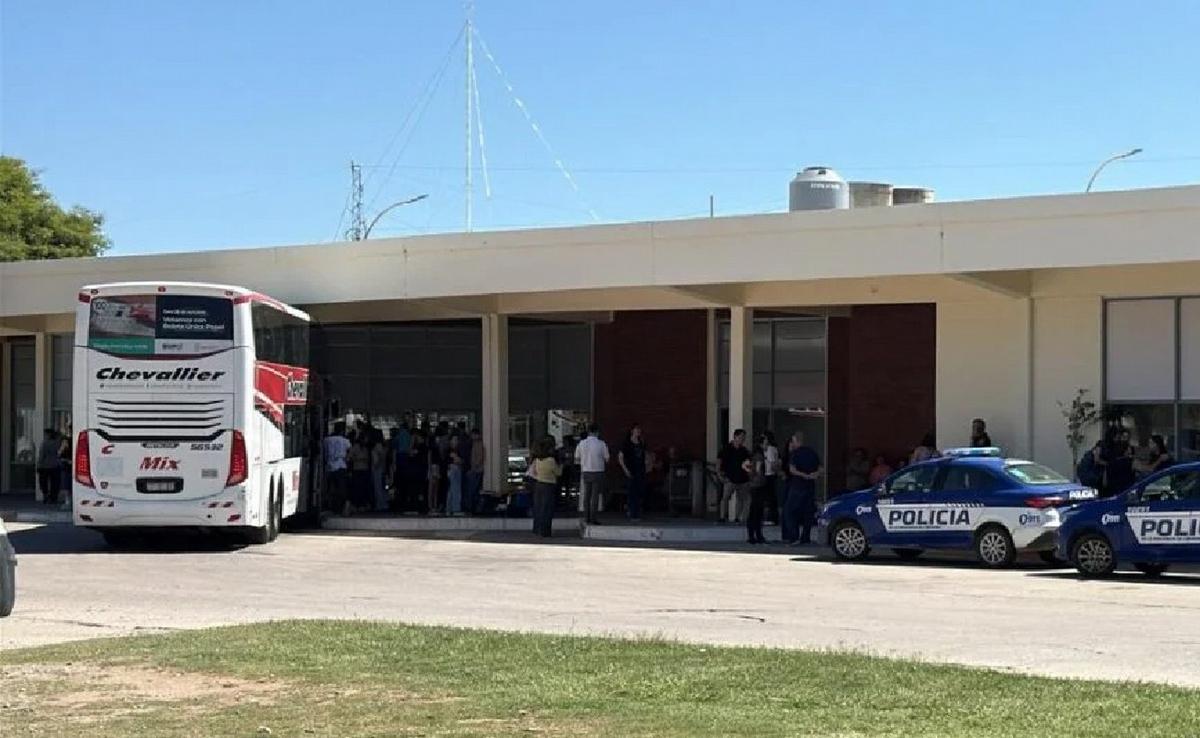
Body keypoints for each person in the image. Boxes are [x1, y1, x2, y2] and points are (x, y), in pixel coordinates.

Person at [783, 431, 822, 545]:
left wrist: (803, 475)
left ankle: (793, 536)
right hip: (810, 487)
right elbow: (821, 468)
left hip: (797, 486)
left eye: (793, 441)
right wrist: (814, 474)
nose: (792, 443)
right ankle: (805, 537)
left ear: (796, 441)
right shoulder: (812, 452)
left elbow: (792, 470)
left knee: (789, 511)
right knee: (808, 512)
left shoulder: (795, 454)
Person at [575, 424, 610, 526]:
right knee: (595, 496)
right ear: (597, 432)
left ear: (588, 432)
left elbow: (577, 459)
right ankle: (593, 518)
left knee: (587, 495)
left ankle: (586, 517)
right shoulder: (601, 444)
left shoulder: (581, 444)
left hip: (586, 471)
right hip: (598, 471)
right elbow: (607, 458)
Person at [717, 429, 752, 524]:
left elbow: (748, 464)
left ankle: (738, 517)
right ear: (735, 437)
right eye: (741, 437)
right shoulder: (726, 449)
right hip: (729, 478)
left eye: (743, 437)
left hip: (742, 478)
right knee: (725, 497)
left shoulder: (744, 451)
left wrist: (749, 475)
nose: (742, 439)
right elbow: (719, 461)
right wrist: (719, 473)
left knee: (741, 498)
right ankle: (722, 517)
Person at [529, 436, 561, 537]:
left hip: (539, 484)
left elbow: (534, 472)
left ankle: (537, 529)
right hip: (549, 485)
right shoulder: (551, 460)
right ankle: (545, 531)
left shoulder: (538, 460)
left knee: (538, 508)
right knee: (547, 509)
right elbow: (558, 472)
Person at [745, 437, 772, 544]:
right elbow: (757, 470)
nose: (767, 446)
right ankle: (756, 535)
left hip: (754, 485)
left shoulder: (754, 456)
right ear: (761, 445)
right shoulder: (759, 456)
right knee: (757, 511)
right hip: (758, 485)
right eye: (765, 444)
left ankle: (753, 535)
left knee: (754, 511)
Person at [618, 424, 647, 521]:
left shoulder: (641, 442)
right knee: (632, 492)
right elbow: (620, 457)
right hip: (631, 469)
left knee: (639, 491)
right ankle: (632, 513)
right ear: (632, 431)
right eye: (636, 429)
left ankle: (637, 512)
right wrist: (625, 469)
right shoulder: (627, 443)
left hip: (640, 470)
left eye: (639, 429)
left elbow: (645, 455)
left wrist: (647, 466)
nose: (638, 431)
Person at [323, 422, 351, 515]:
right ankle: (341, 508)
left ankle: (332, 507)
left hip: (329, 466)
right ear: (342, 430)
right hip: (341, 465)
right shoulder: (345, 441)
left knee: (331, 488)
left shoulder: (326, 440)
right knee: (341, 488)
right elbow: (349, 453)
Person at [1102, 428, 1135, 497]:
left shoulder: (1130, 449)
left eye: (1127, 437)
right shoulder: (1113, 449)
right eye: (1124, 437)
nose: (1125, 439)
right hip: (1115, 482)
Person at [348, 433, 373, 513]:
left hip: (364, 470)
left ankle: (362, 505)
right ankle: (356, 505)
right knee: (357, 488)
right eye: (366, 439)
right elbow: (349, 457)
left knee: (363, 488)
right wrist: (358, 459)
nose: (367, 440)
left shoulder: (366, 448)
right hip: (357, 470)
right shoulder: (355, 447)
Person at [36, 429, 61, 506]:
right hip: (55, 465)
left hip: (45, 466)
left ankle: (46, 496)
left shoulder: (44, 444)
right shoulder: (57, 443)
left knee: (44, 482)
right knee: (55, 483)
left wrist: (39, 465)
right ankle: (54, 498)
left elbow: (41, 456)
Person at [466, 428, 486, 515]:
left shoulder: (478, 444)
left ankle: (472, 508)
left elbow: (479, 458)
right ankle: (473, 508)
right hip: (476, 470)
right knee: (474, 490)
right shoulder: (476, 444)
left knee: (473, 490)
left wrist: (473, 468)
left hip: (477, 470)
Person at [370, 429, 389, 512]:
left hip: (377, 468)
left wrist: (376, 464)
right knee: (382, 487)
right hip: (381, 468)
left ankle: (380, 505)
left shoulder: (377, 445)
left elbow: (379, 457)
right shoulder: (382, 445)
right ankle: (383, 504)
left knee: (378, 487)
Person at [446, 438, 464, 516]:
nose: (456, 441)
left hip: (456, 469)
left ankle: (449, 508)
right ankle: (456, 509)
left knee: (452, 490)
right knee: (456, 489)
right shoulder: (450, 451)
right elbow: (456, 460)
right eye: (454, 440)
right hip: (453, 469)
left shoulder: (458, 450)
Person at [58, 426, 73, 511]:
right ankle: (68, 502)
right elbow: (60, 453)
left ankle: (69, 502)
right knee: (67, 484)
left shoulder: (69, 440)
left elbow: (59, 454)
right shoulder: (65, 440)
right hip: (67, 466)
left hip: (70, 465)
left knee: (68, 484)